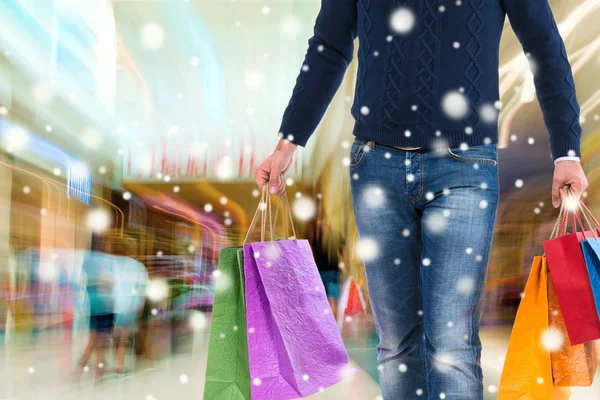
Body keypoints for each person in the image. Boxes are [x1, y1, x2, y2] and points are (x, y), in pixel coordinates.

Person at [254, 1, 588, 399]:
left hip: (464, 167)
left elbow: (544, 44)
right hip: (375, 164)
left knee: (452, 346)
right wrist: (288, 142)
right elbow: (329, 45)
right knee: (396, 346)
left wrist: (567, 152)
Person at [76, 236, 115, 379]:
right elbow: (109, 282)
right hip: (106, 303)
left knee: (96, 337)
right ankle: (81, 366)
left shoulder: (86, 260)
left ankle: (100, 367)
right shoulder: (107, 260)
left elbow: (84, 279)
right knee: (98, 339)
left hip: (92, 303)